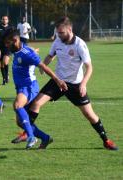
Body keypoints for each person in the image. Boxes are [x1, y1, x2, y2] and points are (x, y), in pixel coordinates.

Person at [14, 16, 118, 150]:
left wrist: (83, 84)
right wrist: (42, 66)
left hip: (75, 85)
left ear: (70, 29)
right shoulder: (58, 41)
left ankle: (106, 140)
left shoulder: (80, 45)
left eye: (62, 32)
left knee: (89, 115)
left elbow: (89, 67)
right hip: (58, 81)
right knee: (36, 104)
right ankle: (27, 133)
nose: (59, 35)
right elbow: (50, 55)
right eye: (58, 32)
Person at [3, 28, 67, 149]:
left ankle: (31, 137)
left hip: (29, 87)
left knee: (17, 105)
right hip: (21, 88)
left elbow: (43, 66)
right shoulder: (18, 49)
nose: (6, 45)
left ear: (15, 40)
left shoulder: (27, 54)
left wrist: (57, 80)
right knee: (20, 122)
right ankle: (45, 138)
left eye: (8, 42)